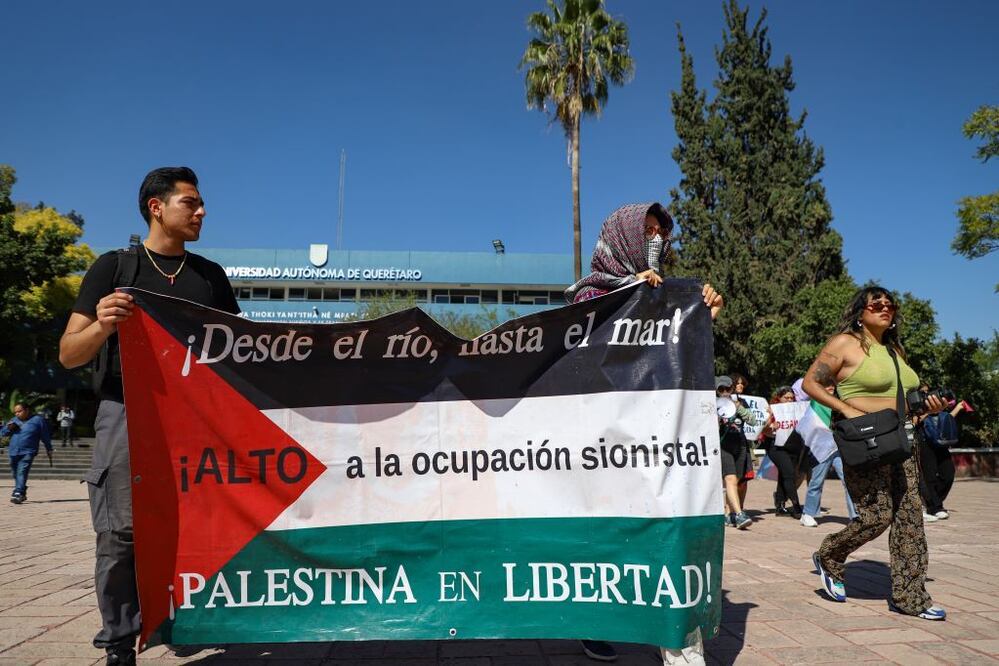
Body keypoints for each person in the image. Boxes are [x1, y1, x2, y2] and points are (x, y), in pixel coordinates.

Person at [59, 167, 241, 666]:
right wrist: (103, 324)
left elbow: (242, 354)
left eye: (201, 203)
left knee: (205, 525)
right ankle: (120, 639)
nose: (202, 211)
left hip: (198, 418)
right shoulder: (113, 268)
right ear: (156, 207)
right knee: (120, 530)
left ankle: (193, 616)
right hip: (126, 412)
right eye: (191, 202)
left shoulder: (211, 277)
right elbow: (69, 353)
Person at [565, 202, 722, 665]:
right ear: (623, 237)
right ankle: (592, 621)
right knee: (603, 536)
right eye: (647, 231)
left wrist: (704, 311)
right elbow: (583, 355)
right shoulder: (587, 297)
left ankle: (679, 642)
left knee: (668, 531)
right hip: (601, 443)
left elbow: (679, 358)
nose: (656, 240)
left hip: (658, 441)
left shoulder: (669, 296)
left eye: (661, 232)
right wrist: (628, 297)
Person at [802, 285, 946, 621]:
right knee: (876, 515)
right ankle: (830, 555)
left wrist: (929, 406)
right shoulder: (845, 343)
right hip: (865, 441)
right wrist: (846, 409)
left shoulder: (896, 352)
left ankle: (911, 597)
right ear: (860, 311)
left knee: (910, 519)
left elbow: (908, 400)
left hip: (901, 441)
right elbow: (812, 383)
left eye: (889, 304)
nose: (884, 308)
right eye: (875, 303)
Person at [797, 378, 857, 527]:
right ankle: (808, 514)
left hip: (838, 447)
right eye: (827, 385)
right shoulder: (815, 401)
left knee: (848, 481)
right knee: (817, 481)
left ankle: (855, 515)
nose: (830, 387)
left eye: (832, 385)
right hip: (820, 447)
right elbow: (803, 389)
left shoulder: (840, 402)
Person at [917, 383, 967, 522]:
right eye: (924, 392)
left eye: (928, 392)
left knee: (948, 474)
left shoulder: (937, 405)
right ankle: (936, 507)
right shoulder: (916, 405)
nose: (927, 395)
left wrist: (955, 408)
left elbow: (947, 418)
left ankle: (930, 501)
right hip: (924, 442)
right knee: (930, 476)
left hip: (940, 442)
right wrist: (927, 411)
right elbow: (914, 421)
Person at [716, 375, 755, 528]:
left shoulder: (739, 403)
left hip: (740, 445)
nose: (725, 392)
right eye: (721, 389)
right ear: (717, 391)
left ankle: (728, 514)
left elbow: (752, 420)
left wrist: (738, 407)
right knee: (730, 479)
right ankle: (739, 515)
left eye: (728, 389)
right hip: (723, 447)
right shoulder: (713, 404)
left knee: (738, 482)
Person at [762, 386, 803, 518]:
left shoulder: (797, 410)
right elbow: (762, 430)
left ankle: (780, 505)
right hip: (775, 446)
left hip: (792, 446)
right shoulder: (771, 410)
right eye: (786, 398)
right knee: (789, 473)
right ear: (779, 398)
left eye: (792, 398)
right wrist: (771, 424)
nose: (790, 400)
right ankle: (796, 507)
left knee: (785, 475)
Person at [2, 403, 53, 504]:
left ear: (27, 410)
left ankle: (18, 492)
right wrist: (8, 428)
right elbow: (3, 433)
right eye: (15, 412)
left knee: (22, 471)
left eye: (19, 411)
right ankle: (22, 490)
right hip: (13, 450)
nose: (17, 414)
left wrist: (49, 448)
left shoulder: (38, 420)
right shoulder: (14, 420)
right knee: (15, 472)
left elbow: (45, 435)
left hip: (28, 451)